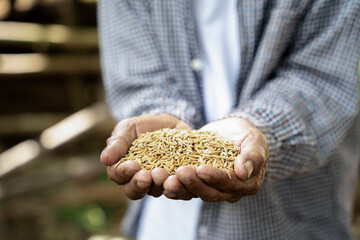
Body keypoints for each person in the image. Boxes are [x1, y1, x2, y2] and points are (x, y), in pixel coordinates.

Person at [98, 0, 360, 239]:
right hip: (165, 225)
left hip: (291, 222)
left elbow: (322, 78)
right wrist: (161, 113)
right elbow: (138, 76)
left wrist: (261, 128)